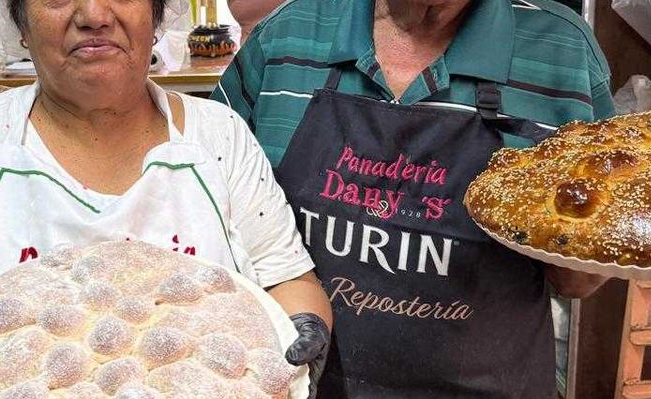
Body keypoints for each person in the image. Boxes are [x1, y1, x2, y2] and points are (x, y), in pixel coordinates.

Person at [0, 0, 332, 397]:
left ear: (157, 15)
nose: (93, 15)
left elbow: (289, 283)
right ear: (20, 25)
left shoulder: (220, 139)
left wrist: (302, 328)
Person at [212, 0, 613, 397]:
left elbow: (578, 278)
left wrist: (593, 239)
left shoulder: (563, 53)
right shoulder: (287, 35)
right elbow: (206, 207)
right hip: (306, 385)